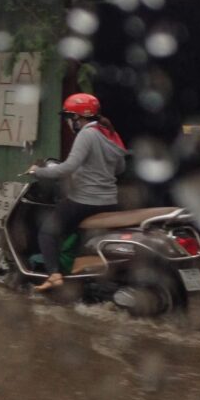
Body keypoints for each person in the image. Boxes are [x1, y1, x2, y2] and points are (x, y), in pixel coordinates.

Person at [28, 93, 127, 291]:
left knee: (47, 231)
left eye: (68, 117)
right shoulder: (109, 133)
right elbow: (120, 169)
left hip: (85, 201)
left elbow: (67, 167)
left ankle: (54, 274)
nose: (67, 122)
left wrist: (38, 171)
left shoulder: (87, 133)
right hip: (110, 201)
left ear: (77, 117)